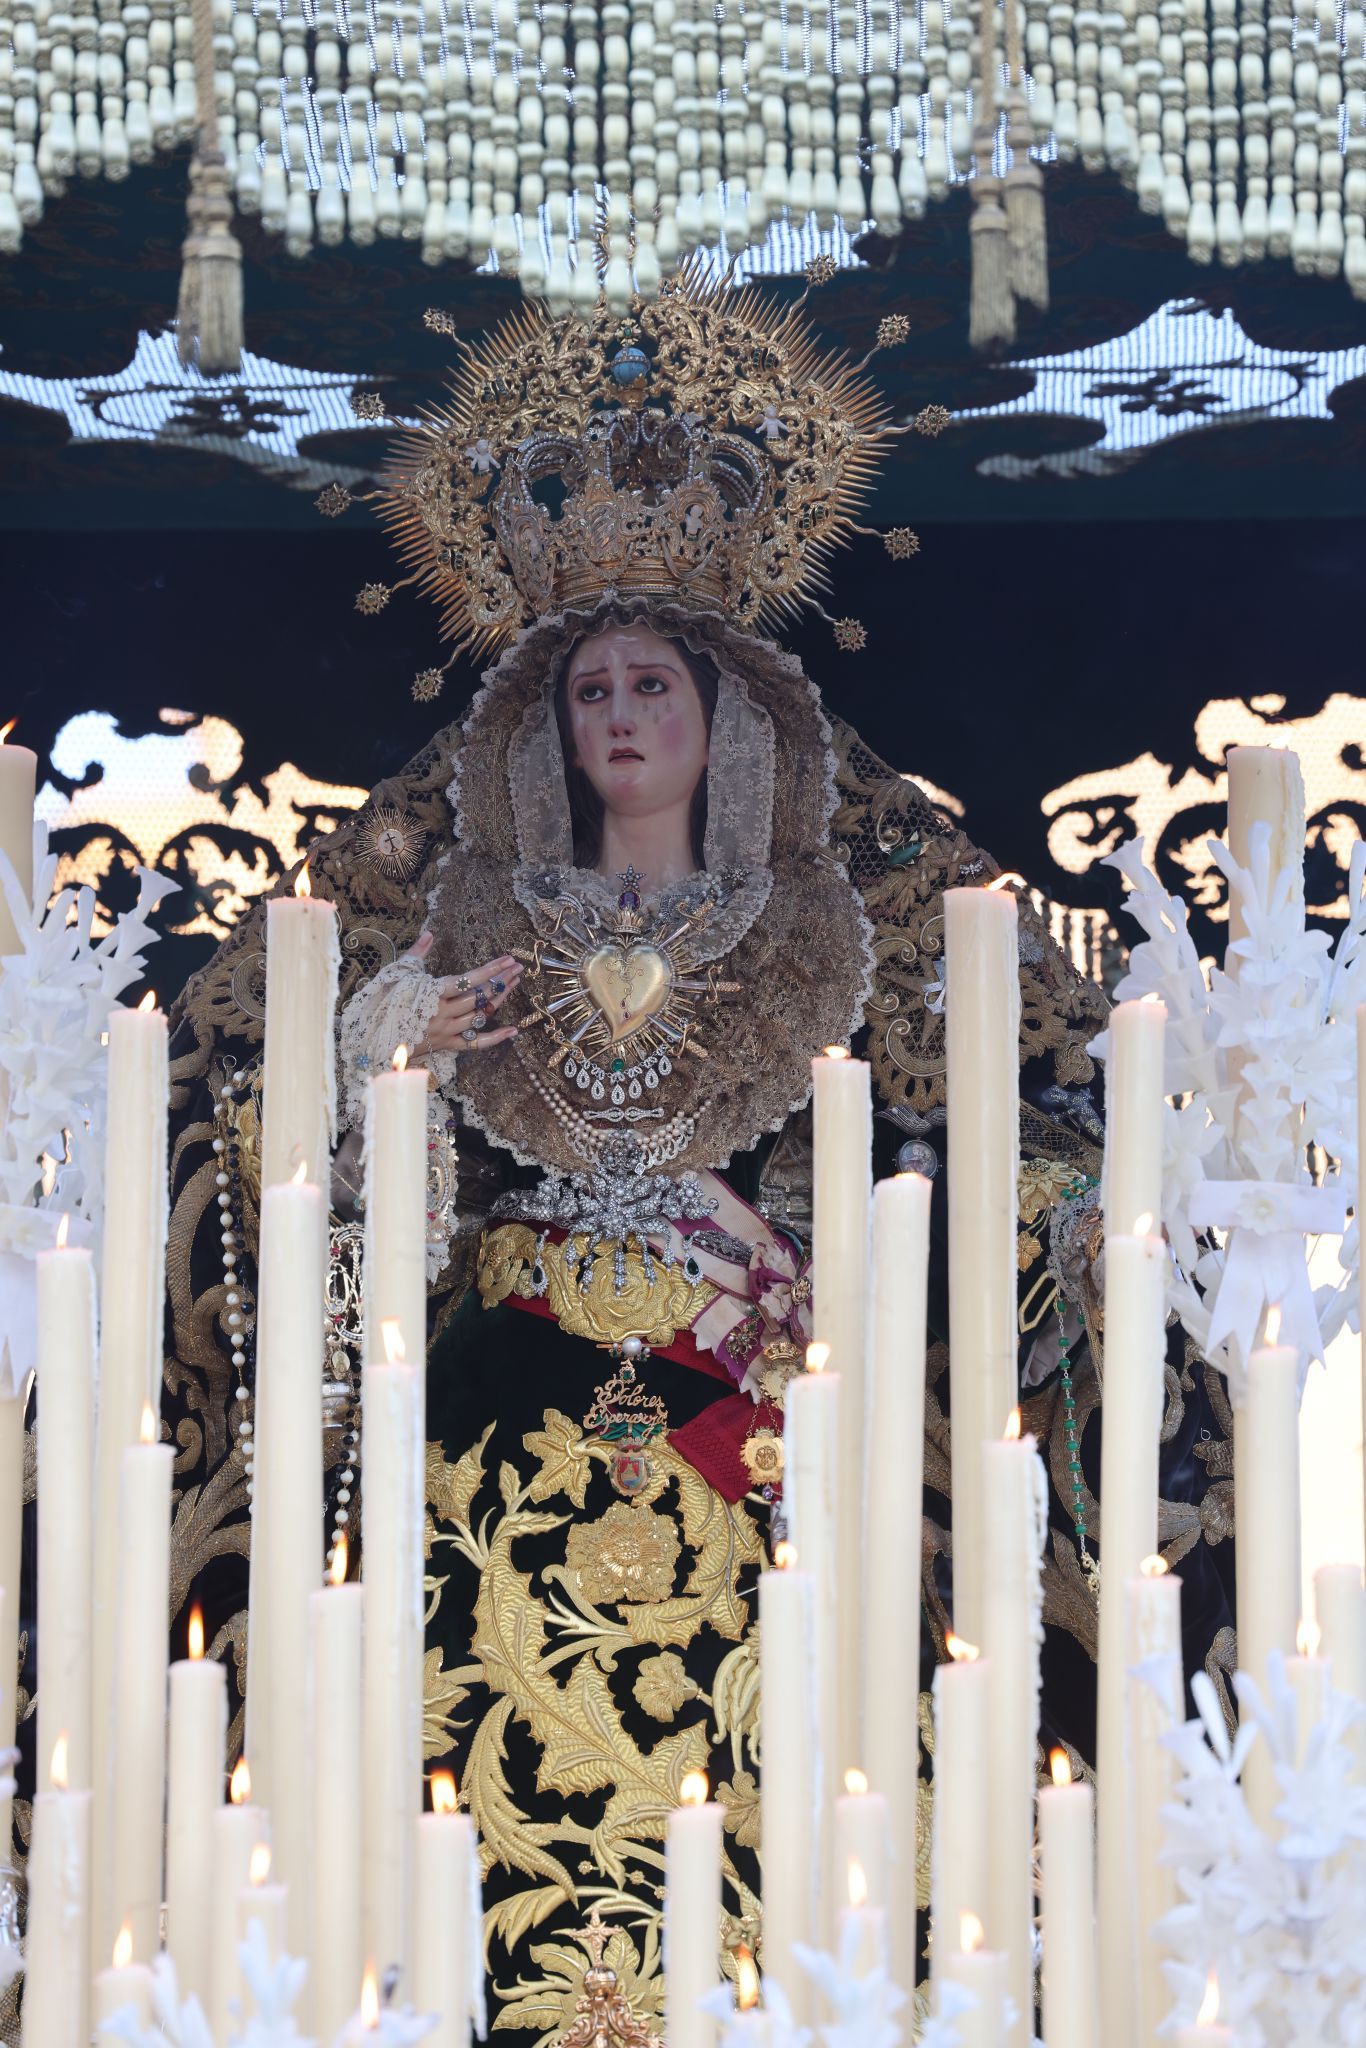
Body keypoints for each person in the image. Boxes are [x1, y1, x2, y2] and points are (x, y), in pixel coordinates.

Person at [161, 265, 1232, 2034]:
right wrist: (385, 1061)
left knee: (791, 1778)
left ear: (723, 713)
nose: (620, 720)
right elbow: (282, 1177)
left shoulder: (863, 916)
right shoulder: (444, 925)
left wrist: (851, 1244)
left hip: (760, 1447)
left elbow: (1023, 1125)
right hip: (494, 1434)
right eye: (586, 693)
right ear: (540, 728)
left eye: (653, 682)